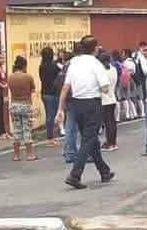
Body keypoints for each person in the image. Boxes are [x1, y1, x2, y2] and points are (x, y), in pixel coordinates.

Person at [56, 36, 115, 189]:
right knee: (88, 139)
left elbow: (65, 87)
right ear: (95, 49)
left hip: (77, 104)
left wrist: (60, 109)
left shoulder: (73, 62)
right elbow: (105, 87)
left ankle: (104, 170)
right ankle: (75, 174)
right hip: (92, 103)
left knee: (91, 139)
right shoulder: (96, 64)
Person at [8, 55, 38, 162]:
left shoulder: (10, 77)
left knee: (17, 130)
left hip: (14, 105)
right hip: (26, 104)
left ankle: (16, 155)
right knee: (27, 130)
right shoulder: (28, 77)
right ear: (24, 65)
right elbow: (32, 88)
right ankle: (30, 154)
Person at [39, 47, 61, 147]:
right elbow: (60, 74)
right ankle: (51, 137)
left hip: (44, 92)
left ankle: (51, 136)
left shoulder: (41, 66)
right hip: (53, 93)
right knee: (53, 116)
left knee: (49, 115)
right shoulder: (54, 66)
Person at [99, 51, 119, 151]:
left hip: (104, 99)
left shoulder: (101, 71)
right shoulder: (113, 69)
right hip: (112, 97)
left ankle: (109, 143)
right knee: (112, 121)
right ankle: (113, 142)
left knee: (107, 123)